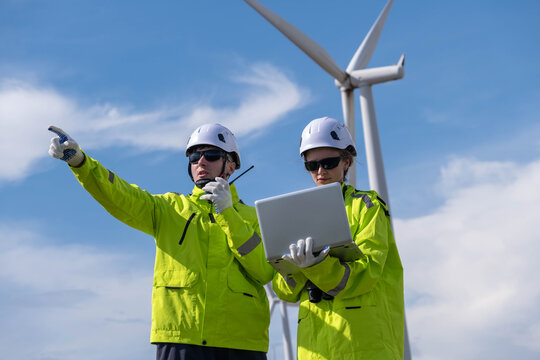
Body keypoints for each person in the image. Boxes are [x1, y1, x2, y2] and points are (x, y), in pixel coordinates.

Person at [48, 123, 274, 360]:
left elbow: (263, 271)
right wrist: (82, 164)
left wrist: (227, 212)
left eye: (212, 155)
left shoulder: (254, 218)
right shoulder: (168, 209)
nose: (201, 162)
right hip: (180, 339)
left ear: (231, 165)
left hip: (241, 343)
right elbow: (121, 195)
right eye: (195, 156)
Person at [272, 117, 404, 359]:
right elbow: (284, 291)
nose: (320, 172)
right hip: (315, 348)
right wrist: (296, 268)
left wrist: (318, 266)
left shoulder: (367, 206)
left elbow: (368, 273)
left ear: (346, 162)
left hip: (364, 346)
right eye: (312, 166)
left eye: (328, 163)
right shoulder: (295, 216)